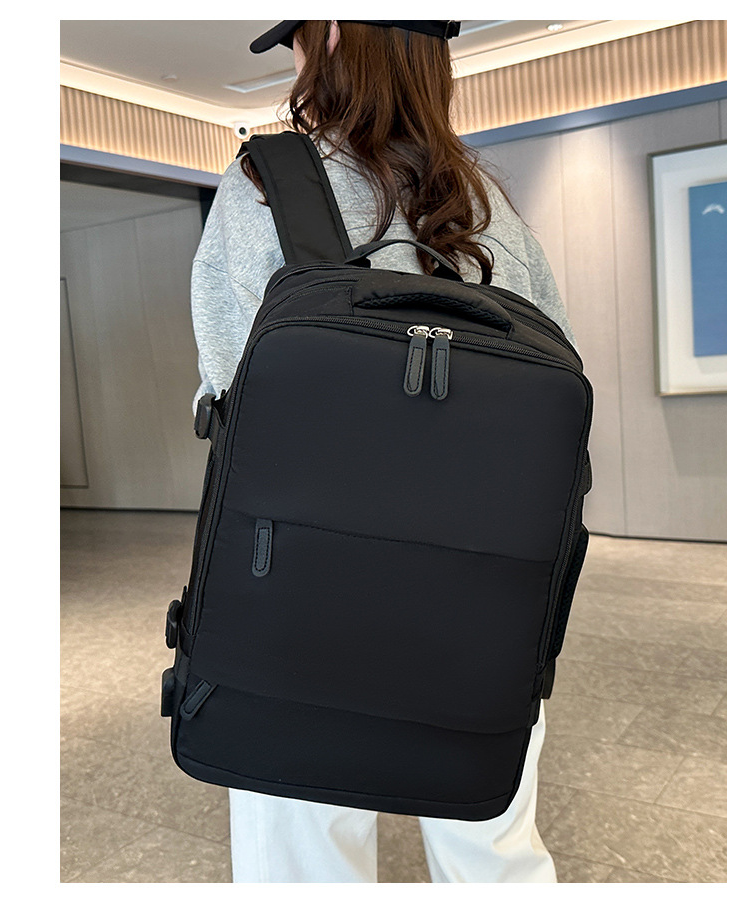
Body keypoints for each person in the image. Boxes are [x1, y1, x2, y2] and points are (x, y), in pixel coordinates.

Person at [190, 20, 574, 884]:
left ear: (330, 33)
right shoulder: (487, 205)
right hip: (482, 603)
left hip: (300, 598)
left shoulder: (265, 183)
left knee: (301, 858)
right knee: (494, 850)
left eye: (296, 38)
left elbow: (229, 394)